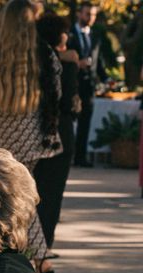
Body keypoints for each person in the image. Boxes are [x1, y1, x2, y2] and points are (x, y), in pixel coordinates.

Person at [0, 0, 62, 273]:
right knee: (23, 196)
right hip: (38, 134)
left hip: (9, 136)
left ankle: (39, 256)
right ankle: (33, 258)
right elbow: (57, 88)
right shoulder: (43, 53)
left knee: (18, 199)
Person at [34, 12, 80, 252]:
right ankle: (45, 244)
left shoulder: (33, 61)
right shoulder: (68, 62)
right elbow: (69, 101)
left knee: (35, 190)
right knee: (53, 192)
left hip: (36, 130)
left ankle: (33, 242)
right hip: (60, 130)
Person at [67, 2, 105, 168]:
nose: (90, 18)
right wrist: (77, 64)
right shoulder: (69, 34)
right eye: (87, 14)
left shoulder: (95, 36)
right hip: (72, 85)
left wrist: (104, 78)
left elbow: (98, 61)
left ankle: (80, 157)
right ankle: (67, 155)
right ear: (79, 14)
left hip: (88, 86)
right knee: (68, 121)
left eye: (93, 14)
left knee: (85, 123)